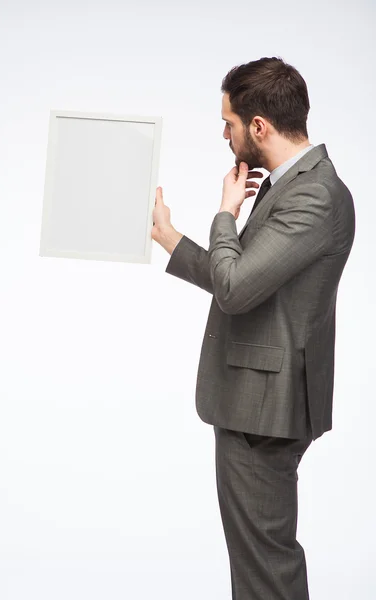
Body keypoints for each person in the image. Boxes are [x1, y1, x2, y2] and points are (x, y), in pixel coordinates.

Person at [151, 56, 356, 600]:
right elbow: (240, 282)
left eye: (229, 123)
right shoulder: (290, 185)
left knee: (265, 568)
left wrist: (224, 214)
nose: (225, 133)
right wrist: (169, 238)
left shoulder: (314, 194)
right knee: (258, 562)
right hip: (257, 401)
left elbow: (236, 287)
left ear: (259, 126)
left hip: (263, 410)